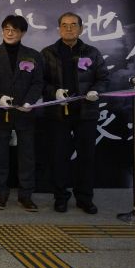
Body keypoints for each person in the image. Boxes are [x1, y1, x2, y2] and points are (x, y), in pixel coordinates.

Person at [41, 12, 109, 214]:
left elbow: (104, 78)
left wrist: (96, 91)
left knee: (86, 157)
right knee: (59, 157)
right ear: (58, 29)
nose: (68, 28)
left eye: (73, 25)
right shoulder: (47, 53)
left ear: (81, 28)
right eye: (64, 25)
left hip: (85, 113)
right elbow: (39, 82)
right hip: (58, 114)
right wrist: (54, 92)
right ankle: (60, 197)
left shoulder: (92, 52)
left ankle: (85, 198)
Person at [0, 14, 44, 212]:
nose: (10, 33)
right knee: (0, 156)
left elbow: (38, 83)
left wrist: (30, 101)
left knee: (27, 157)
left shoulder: (33, 55)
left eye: (14, 30)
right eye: (6, 29)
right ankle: (1, 194)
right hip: (0, 115)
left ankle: (26, 195)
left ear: (22, 33)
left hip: (25, 114)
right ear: (2, 31)